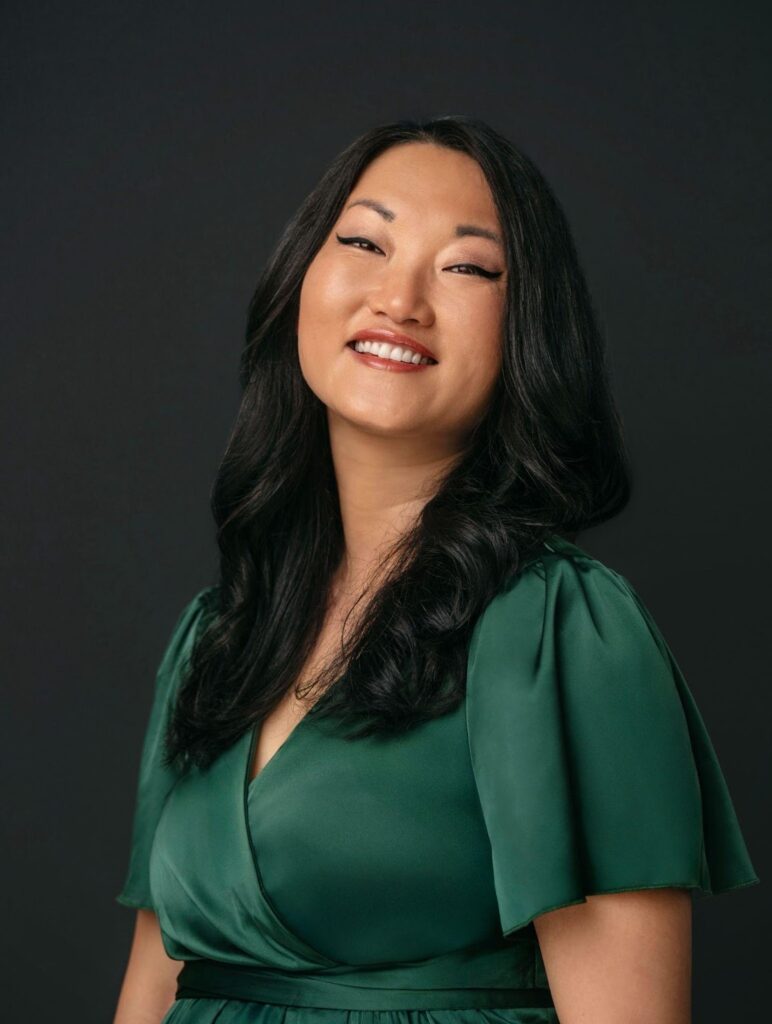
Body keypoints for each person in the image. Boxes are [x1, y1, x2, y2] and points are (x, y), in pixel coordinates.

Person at [112, 116, 759, 1024]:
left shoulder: (556, 633)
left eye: (465, 267)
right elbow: (151, 986)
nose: (399, 298)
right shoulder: (215, 638)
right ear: (302, 280)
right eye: (365, 242)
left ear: (528, 329)